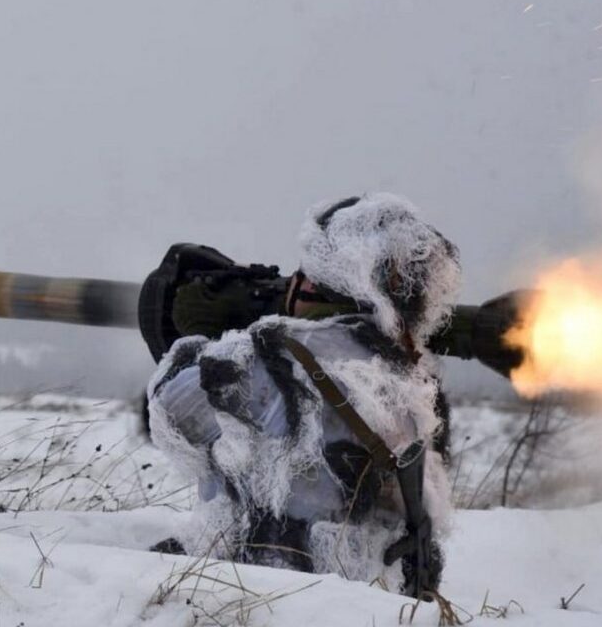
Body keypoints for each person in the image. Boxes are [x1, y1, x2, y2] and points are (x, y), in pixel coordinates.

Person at [146, 193, 459, 597]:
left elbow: (173, 415)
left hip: (275, 594)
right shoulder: (407, 375)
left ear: (321, 278)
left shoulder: (270, 359)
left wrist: (200, 344)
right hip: (373, 598)